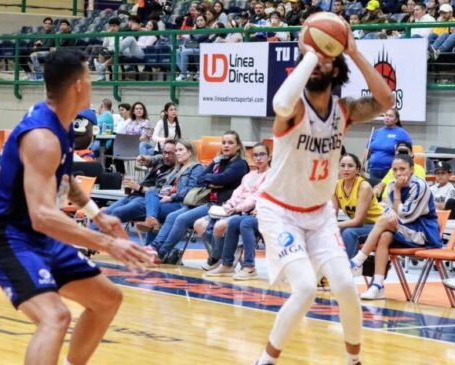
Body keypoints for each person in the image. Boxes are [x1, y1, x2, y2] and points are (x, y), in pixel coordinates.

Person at [0, 49, 150, 365]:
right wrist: (108, 243)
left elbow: (64, 178)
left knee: (107, 299)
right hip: (4, 235)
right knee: (55, 317)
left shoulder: (60, 124)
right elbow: (42, 217)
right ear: (79, 85)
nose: (92, 84)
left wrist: (98, 215)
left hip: (34, 236)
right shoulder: (42, 138)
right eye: (90, 78)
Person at [254, 24, 394, 365]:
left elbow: (385, 100)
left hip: (318, 214)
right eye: (309, 61)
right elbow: (280, 102)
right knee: (304, 288)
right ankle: (266, 361)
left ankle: (354, 360)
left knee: (346, 286)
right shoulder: (295, 109)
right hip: (279, 210)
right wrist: (312, 52)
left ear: (337, 67)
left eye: (324, 61)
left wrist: (355, 52)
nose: (316, 65)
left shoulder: (343, 110)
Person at [349, 154, 443, 300]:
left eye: (402, 169)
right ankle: (378, 285)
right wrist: (391, 212)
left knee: (382, 221)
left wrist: (398, 193)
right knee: (384, 236)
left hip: (422, 232)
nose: (398, 173)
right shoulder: (392, 184)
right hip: (403, 229)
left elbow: (407, 215)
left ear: (411, 169)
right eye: (395, 169)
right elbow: (387, 208)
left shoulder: (420, 186)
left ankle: (358, 261)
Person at [148, 130, 250, 262]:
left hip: (221, 205)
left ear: (238, 147)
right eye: (224, 142)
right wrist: (214, 169)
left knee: (181, 219)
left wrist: (214, 181)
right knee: (172, 216)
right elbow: (200, 179)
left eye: (230, 143)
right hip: (207, 202)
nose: (226, 145)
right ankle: (153, 247)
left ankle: (161, 254)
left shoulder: (240, 165)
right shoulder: (220, 161)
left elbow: (222, 179)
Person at [203, 142, 271, 280]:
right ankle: (227, 265)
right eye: (255, 155)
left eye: (262, 154)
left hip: (266, 215)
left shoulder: (272, 175)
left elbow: (257, 196)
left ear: (269, 157)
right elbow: (237, 193)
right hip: (246, 212)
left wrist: (237, 208)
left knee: (245, 223)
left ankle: (249, 267)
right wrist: (229, 205)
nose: (258, 158)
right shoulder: (249, 175)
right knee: (234, 222)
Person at [334, 153, 383, 259]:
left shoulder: (364, 186)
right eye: (342, 165)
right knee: (332, 233)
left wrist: (332, 225)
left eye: (350, 166)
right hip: (360, 227)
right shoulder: (336, 186)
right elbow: (332, 217)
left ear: (357, 170)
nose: (346, 169)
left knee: (348, 233)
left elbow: (357, 221)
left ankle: (350, 269)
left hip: (378, 225)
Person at [366, 109, 412, 181]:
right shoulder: (377, 132)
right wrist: (361, 164)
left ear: (396, 119)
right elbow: (368, 150)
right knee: (375, 191)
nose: (387, 117)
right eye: (386, 115)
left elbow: (409, 152)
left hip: (391, 170)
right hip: (373, 169)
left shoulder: (402, 133)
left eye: (390, 116)